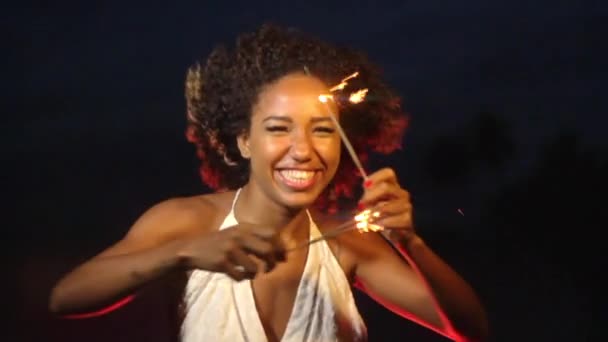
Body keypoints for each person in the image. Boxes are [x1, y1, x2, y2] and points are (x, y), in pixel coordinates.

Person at [49, 23, 489, 341]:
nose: (303, 149)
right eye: (279, 129)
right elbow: (66, 298)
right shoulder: (186, 222)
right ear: (243, 141)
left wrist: (411, 243)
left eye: (322, 130)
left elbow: (469, 330)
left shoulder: (351, 246)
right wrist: (183, 251)